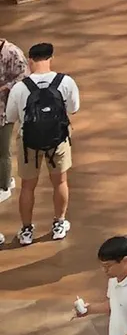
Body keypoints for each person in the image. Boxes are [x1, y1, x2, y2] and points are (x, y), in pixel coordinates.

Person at [6, 40, 76, 247]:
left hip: (29, 142)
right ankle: (59, 224)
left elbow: (11, 116)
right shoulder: (65, 82)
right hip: (59, 139)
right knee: (60, 182)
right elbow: (73, 108)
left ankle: (26, 230)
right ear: (51, 59)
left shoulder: (20, 87)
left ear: (30, 61)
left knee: (28, 187)